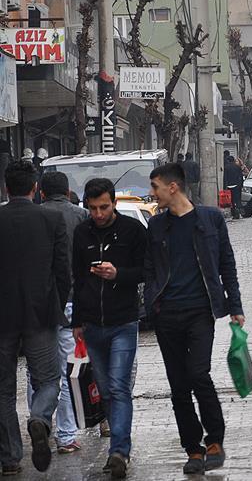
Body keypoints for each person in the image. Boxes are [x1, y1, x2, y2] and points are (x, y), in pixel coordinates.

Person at [145, 163, 245, 475]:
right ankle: (193, 448)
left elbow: (226, 262)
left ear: (172, 187)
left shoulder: (210, 218)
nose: (153, 194)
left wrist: (235, 306)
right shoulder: (157, 226)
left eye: (156, 187)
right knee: (178, 386)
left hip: (201, 312)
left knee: (198, 374)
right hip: (167, 315)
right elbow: (149, 268)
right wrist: (152, 302)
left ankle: (215, 440)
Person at [71, 177, 146, 478]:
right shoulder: (81, 233)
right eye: (93, 208)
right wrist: (76, 321)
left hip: (123, 321)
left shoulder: (132, 231)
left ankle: (119, 451)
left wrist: (117, 274)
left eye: (104, 207)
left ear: (114, 203)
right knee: (105, 390)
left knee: (118, 385)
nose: (99, 214)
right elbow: (77, 278)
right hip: (92, 323)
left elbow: (146, 271)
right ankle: (117, 446)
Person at [0, 161, 70, 475]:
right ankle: (40, 418)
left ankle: (11, 457)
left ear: (6, 188)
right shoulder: (51, 219)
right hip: (41, 313)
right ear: (34, 189)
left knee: (2, 389)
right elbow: (62, 271)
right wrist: (59, 304)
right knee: (49, 380)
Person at [32, 172, 88, 456]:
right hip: (71, 303)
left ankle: (39, 421)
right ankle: (66, 436)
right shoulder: (81, 217)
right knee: (67, 372)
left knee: (38, 372)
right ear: (68, 193)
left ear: (41, 192)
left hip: (37, 306)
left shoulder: (33, 216)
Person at [223, 151, 243, 219]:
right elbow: (241, 176)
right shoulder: (237, 167)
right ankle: (238, 212)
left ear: (228, 160)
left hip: (229, 186)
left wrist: (224, 187)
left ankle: (234, 214)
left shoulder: (226, 167)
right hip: (237, 186)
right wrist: (241, 185)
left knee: (231, 201)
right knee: (237, 199)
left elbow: (225, 178)